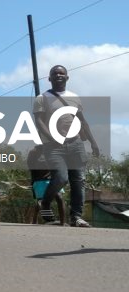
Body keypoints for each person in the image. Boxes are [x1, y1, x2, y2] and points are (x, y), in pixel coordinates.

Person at [34, 65, 100, 227]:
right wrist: (52, 137)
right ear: (49, 79)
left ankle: (76, 217)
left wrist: (93, 142)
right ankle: (46, 203)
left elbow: (82, 121)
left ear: (67, 77)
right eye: (54, 73)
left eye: (61, 73)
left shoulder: (74, 97)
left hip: (75, 143)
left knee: (78, 180)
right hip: (53, 145)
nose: (58, 75)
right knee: (61, 177)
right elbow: (39, 121)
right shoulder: (42, 98)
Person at [27, 145, 65, 225]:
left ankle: (62, 222)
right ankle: (39, 220)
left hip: (52, 179)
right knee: (40, 201)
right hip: (39, 180)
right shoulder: (34, 152)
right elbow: (31, 167)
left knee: (59, 197)